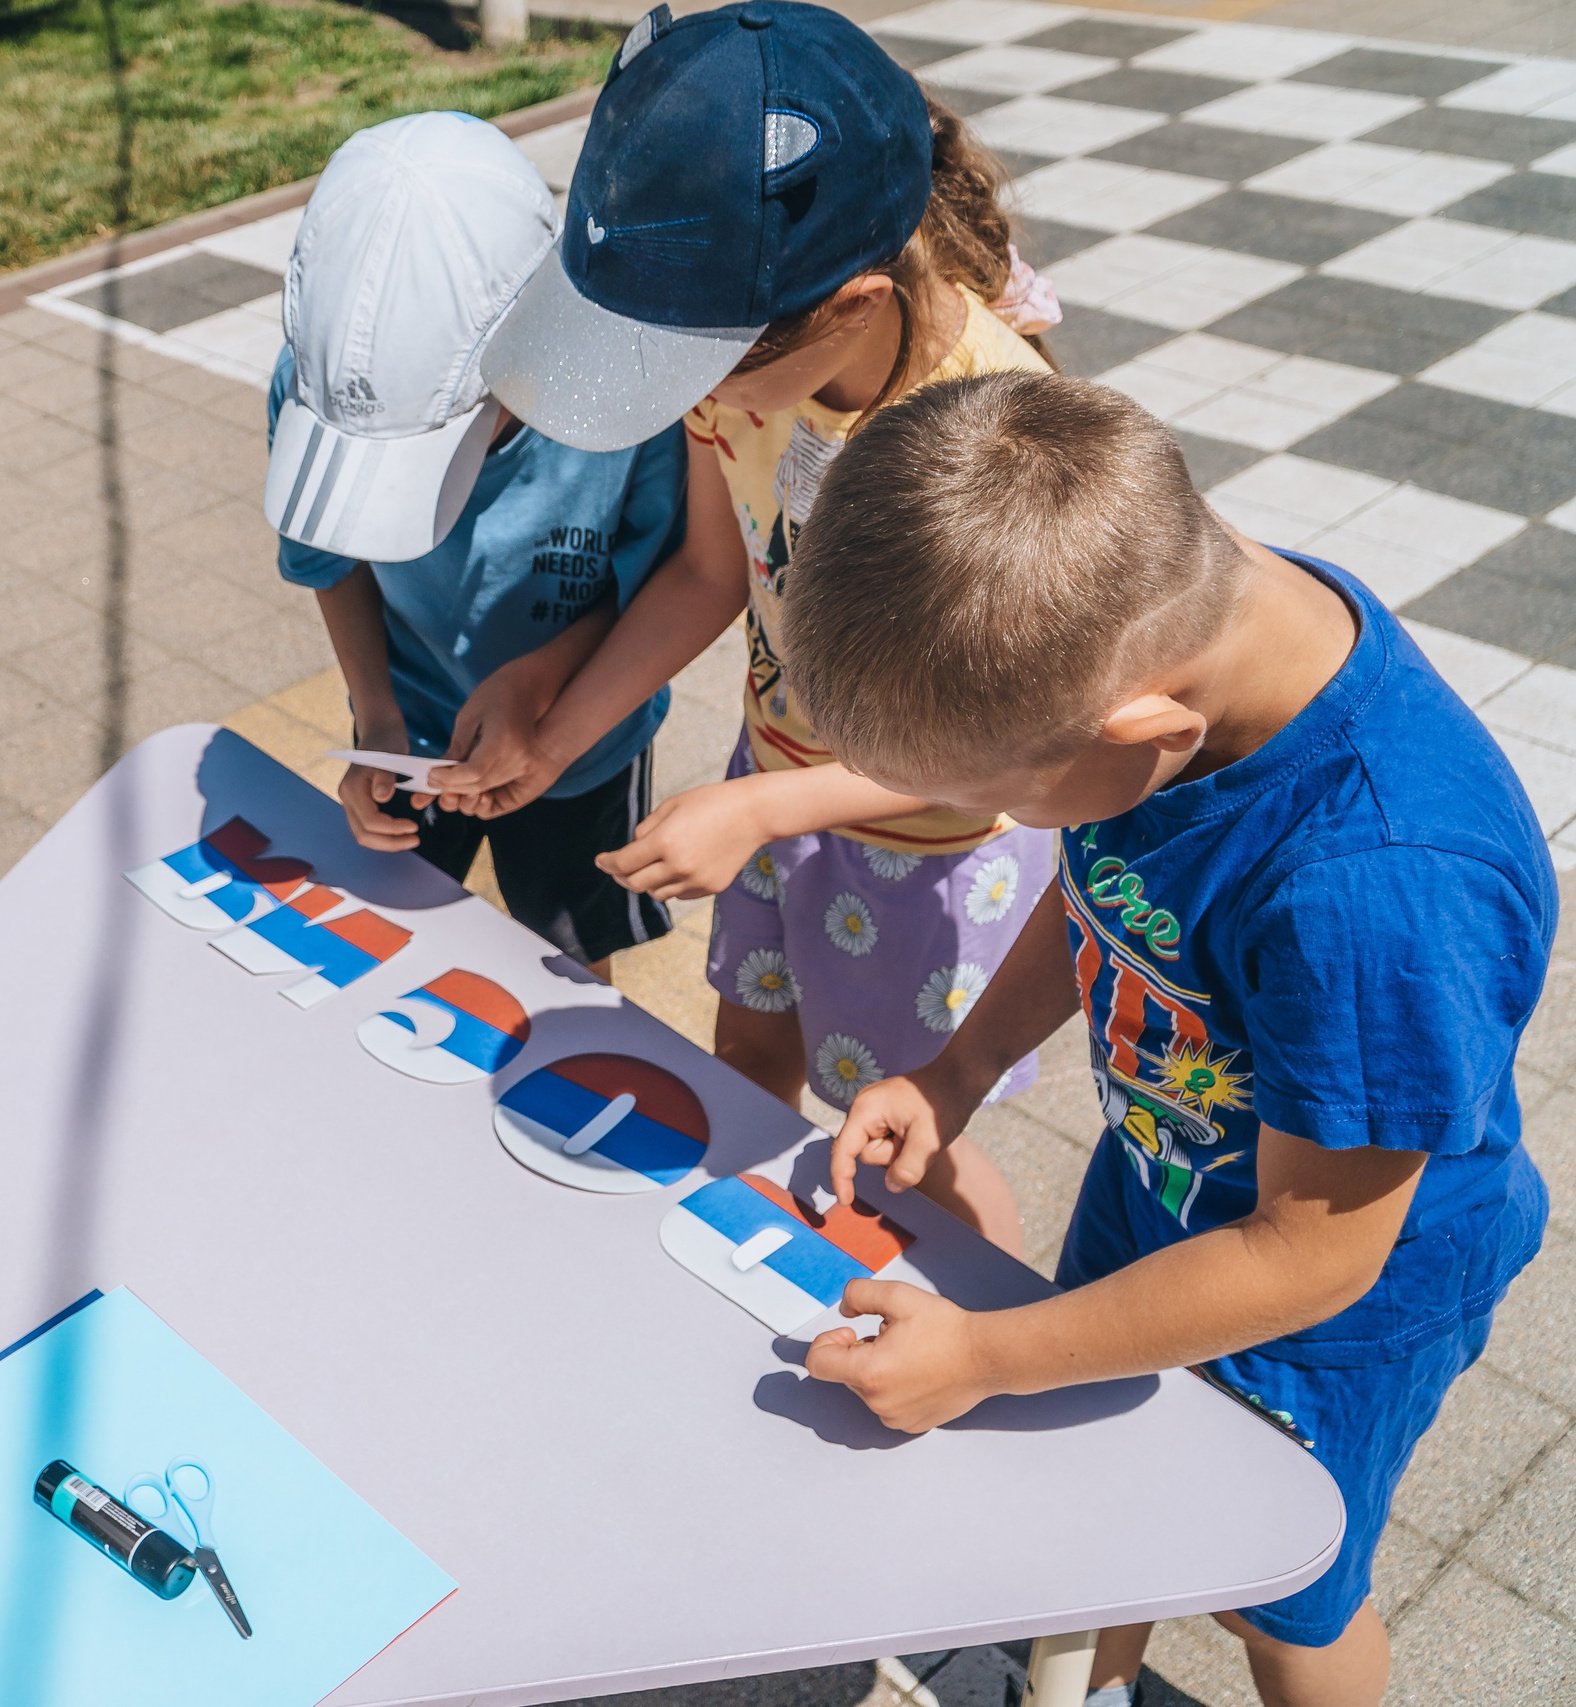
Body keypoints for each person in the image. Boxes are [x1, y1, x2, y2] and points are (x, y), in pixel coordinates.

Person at [785, 372, 1552, 1707]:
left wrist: (979, 1356)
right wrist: (957, 1068)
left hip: (1334, 1298)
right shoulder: (1184, 617)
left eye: (1002, 801)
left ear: (1151, 727)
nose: (1024, 832)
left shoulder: (1376, 886)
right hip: (1169, 1185)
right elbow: (1110, 885)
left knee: (1288, 1592)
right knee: (1102, 1490)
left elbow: (1313, 1251)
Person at [455, 2, 1061, 1248]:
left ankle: (983, 1337)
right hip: (774, 790)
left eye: (692, 374)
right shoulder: (730, 355)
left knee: (905, 1147)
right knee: (745, 1059)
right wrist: (558, 737)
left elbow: (1005, 743)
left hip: (932, 848)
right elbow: (703, 572)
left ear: (848, 307)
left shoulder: (998, 438)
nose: (675, 399)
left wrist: (765, 809)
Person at [263, 111, 687, 978]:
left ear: (533, 340)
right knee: (377, 941)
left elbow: (665, 588)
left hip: (588, 739)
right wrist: (375, 713)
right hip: (407, 723)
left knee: (568, 953)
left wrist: (541, 697)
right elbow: (329, 557)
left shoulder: (633, 398)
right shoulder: (308, 381)